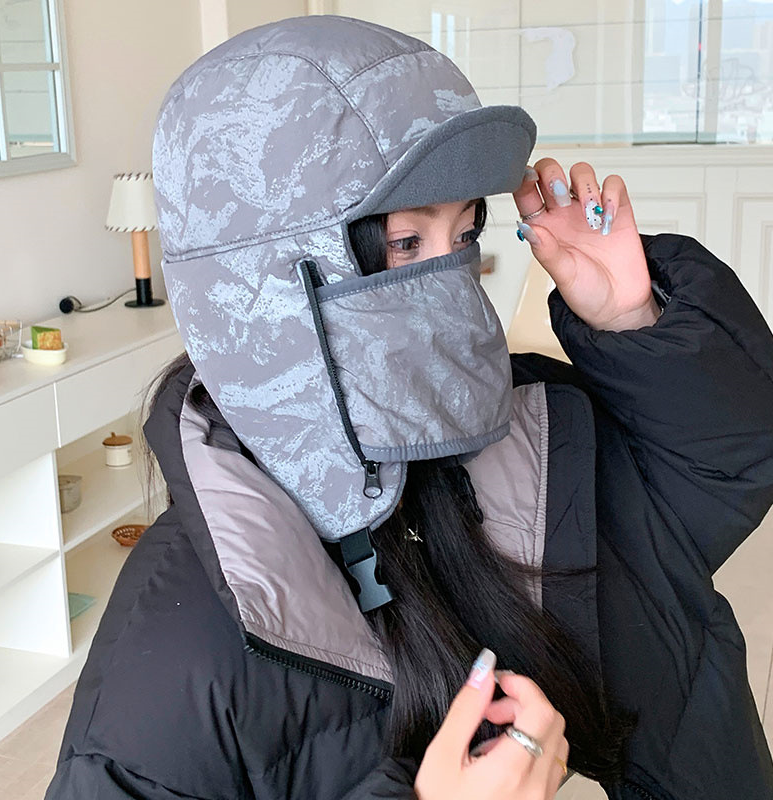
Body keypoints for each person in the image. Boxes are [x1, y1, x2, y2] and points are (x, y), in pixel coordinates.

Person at [45, 15, 773, 800]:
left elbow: (719, 476)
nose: (451, 284)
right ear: (261, 279)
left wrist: (631, 314)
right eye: (403, 244)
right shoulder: (168, 657)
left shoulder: (514, 426)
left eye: (463, 236)